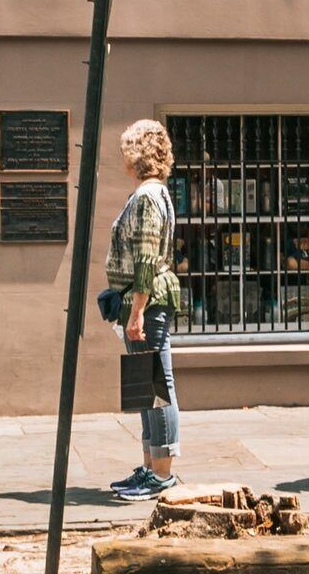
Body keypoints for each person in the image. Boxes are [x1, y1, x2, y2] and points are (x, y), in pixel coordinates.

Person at [105, 119, 185, 501]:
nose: (123, 155)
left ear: (138, 153)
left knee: (157, 384)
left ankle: (162, 474)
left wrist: (137, 311)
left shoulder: (148, 197)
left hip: (147, 302)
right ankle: (150, 467)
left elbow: (147, 257)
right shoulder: (151, 193)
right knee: (144, 385)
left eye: (127, 147)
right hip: (141, 301)